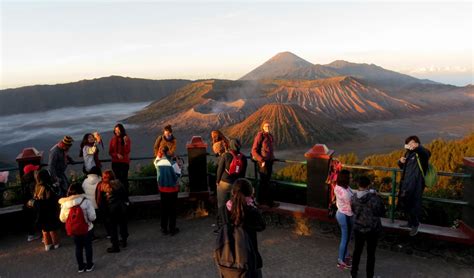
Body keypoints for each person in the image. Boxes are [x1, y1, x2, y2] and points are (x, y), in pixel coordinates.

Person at [220, 178, 266, 277]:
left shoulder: (224, 209)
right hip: (249, 258)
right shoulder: (251, 211)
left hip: (229, 258)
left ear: (233, 192)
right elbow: (262, 226)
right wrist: (254, 205)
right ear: (250, 193)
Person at [350, 176, 386, 278]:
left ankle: (354, 273)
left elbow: (353, 210)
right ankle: (369, 275)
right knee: (371, 254)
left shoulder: (353, 198)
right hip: (372, 229)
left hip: (358, 228)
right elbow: (381, 212)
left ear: (358, 185)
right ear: (368, 185)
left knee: (357, 251)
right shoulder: (374, 199)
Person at [59, 183, 96, 273]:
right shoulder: (86, 201)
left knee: (78, 248)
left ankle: (80, 267)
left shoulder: (65, 203)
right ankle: (89, 265)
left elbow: (62, 219)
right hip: (87, 228)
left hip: (74, 230)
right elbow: (92, 217)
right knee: (88, 247)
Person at [398, 135, 431, 236]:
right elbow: (403, 167)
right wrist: (400, 161)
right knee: (406, 202)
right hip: (406, 183)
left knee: (414, 203)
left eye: (412, 142)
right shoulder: (408, 153)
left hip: (416, 183)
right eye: (408, 143)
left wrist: (418, 147)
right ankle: (409, 222)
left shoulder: (421, 152)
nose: (410, 144)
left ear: (417, 142)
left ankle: (415, 225)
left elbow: (427, 154)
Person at [215, 138, 247, 230]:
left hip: (224, 183)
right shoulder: (243, 157)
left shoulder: (226, 155)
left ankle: (222, 227)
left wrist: (217, 181)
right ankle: (234, 224)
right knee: (233, 205)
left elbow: (220, 170)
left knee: (221, 205)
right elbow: (243, 175)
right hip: (236, 185)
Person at [96, 170, 129, 253]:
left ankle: (115, 246)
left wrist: (103, 211)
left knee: (112, 228)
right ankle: (124, 241)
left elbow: (99, 200)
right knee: (122, 225)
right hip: (121, 208)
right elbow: (125, 195)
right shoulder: (118, 183)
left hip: (110, 210)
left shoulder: (101, 186)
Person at [154, 146, 181, 236]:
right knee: (172, 210)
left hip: (162, 189)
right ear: (168, 152)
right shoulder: (173, 163)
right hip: (172, 189)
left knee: (164, 209)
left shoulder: (158, 162)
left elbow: (156, 160)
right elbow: (178, 174)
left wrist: (159, 154)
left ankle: (164, 228)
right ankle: (172, 229)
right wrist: (178, 164)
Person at [33, 169, 61, 251]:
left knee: (44, 229)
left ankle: (47, 244)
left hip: (41, 211)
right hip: (50, 209)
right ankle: (56, 243)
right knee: (52, 228)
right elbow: (53, 198)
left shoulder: (37, 186)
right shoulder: (48, 186)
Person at [251, 121, 278, 207]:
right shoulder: (260, 135)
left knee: (265, 182)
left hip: (269, 162)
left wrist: (272, 158)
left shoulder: (269, 136)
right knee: (265, 182)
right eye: (266, 126)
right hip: (263, 163)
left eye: (269, 126)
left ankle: (260, 200)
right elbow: (254, 150)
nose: (268, 127)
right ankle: (268, 202)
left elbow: (269, 150)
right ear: (262, 127)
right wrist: (261, 160)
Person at [334, 169, 354, 269]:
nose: (351, 178)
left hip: (340, 213)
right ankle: (341, 261)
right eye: (350, 177)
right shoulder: (345, 193)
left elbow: (352, 192)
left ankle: (345, 256)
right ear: (345, 179)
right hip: (345, 216)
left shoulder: (339, 187)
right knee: (345, 239)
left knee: (346, 238)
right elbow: (352, 205)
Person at [109, 124, 131, 196]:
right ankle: (119, 196)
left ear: (122, 130)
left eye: (118, 130)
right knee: (117, 180)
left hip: (124, 162)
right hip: (115, 163)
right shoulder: (112, 139)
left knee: (124, 180)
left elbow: (127, 151)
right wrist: (116, 155)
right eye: (115, 130)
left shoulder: (126, 138)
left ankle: (125, 196)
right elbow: (110, 152)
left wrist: (125, 143)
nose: (117, 132)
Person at [21, 164, 41, 242]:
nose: (36, 171)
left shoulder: (25, 181)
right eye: (35, 170)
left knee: (33, 218)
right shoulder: (33, 182)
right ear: (31, 172)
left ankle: (31, 234)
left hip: (29, 203)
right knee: (37, 217)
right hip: (34, 203)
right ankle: (33, 235)